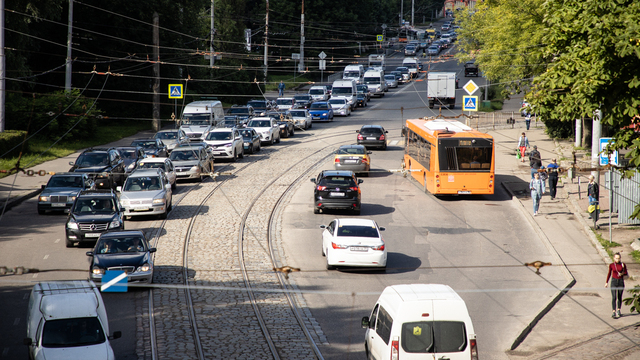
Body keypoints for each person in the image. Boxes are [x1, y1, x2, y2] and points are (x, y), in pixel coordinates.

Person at [605, 253, 628, 319]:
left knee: (619, 296)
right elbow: (609, 273)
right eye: (616, 258)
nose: (617, 259)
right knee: (614, 297)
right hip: (614, 281)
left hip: (620, 281)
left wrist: (622, 273)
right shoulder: (611, 265)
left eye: (619, 258)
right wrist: (606, 282)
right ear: (614, 258)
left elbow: (626, 273)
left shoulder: (623, 264)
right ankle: (613, 311)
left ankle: (618, 310)